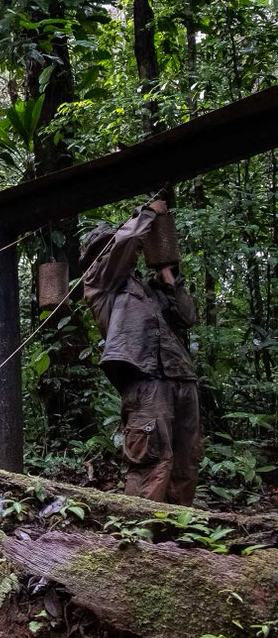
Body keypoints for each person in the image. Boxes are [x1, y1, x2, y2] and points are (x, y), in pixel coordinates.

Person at [81, 198, 202, 505]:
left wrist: (166, 276)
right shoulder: (99, 283)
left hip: (180, 377)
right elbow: (125, 245)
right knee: (151, 461)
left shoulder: (147, 289)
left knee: (185, 463)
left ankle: (177, 538)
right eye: (107, 249)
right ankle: (139, 540)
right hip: (145, 381)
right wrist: (148, 213)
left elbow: (187, 317)